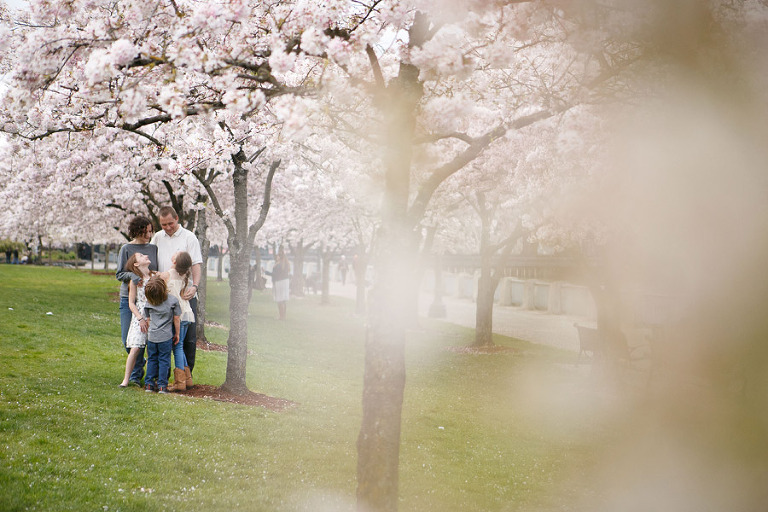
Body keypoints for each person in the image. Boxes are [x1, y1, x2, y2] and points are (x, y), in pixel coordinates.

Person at [150, 206, 203, 378]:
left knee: (187, 339)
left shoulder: (189, 237)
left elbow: (196, 264)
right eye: (163, 224)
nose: (167, 227)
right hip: (164, 296)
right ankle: (160, 375)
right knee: (163, 337)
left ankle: (187, 376)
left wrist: (195, 286)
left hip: (185, 295)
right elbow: (152, 263)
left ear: (177, 218)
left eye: (170, 223)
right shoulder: (157, 237)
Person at [116, 216, 158, 386]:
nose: (149, 234)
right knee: (128, 339)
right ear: (138, 230)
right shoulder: (127, 248)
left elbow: (156, 270)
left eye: (150, 231)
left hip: (149, 301)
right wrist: (134, 276)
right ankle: (138, 367)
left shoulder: (153, 249)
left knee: (147, 338)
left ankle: (135, 376)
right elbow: (120, 273)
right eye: (146, 231)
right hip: (129, 299)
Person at [158, 251, 195, 391]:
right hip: (187, 313)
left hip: (176, 314)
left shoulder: (166, 275)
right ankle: (187, 379)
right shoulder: (184, 275)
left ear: (174, 261)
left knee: (177, 347)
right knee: (180, 346)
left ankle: (180, 382)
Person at [118, 253, 154, 388]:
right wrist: (140, 319)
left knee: (153, 349)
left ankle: (152, 380)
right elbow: (131, 303)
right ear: (136, 264)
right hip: (139, 316)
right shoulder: (134, 281)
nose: (145, 255)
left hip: (153, 315)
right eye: (141, 256)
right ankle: (126, 379)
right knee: (134, 349)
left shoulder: (155, 276)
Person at [142, 276, 180, 394]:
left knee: (152, 359)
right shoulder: (173, 301)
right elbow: (177, 318)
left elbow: (148, 319)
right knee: (164, 360)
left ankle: (149, 384)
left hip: (152, 336)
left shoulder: (148, 303)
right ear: (164, 288)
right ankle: (162, 386)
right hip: (166, 337)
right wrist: (177, 333)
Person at [270, 249, 291, 320]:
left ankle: (281, 316)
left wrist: (266, 272)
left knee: (279, 300)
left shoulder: (278, 265)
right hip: (285, 282)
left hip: (279, 282)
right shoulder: (286, 263)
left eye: (277, 256)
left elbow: (275, 274)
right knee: (283, 300)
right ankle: (283, 316)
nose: (276, 257)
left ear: (279, 257)